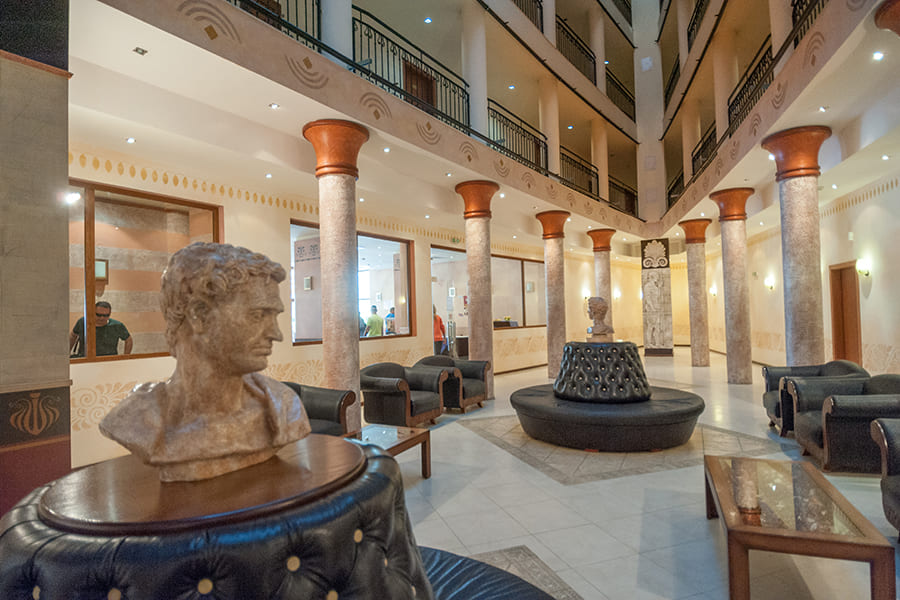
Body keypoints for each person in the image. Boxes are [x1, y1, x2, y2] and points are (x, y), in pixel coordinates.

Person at [100, 242, 310, 481]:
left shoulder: (284, 407)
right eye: (257, 315)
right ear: (199, 315)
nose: (276, 334)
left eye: (274, 317)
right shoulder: (136, 420)